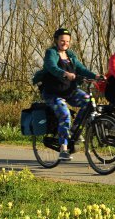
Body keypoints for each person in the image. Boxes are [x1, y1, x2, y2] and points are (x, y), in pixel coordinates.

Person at [39, 28, 101, 160]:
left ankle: (74, 130)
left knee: (88, 101)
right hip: (53, 93)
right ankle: (63, 149)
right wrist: (64, 73)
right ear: (56, 40)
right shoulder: (51, 52)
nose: (65, 43)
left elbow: (81, 69)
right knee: (65, 114)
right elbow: (51, 67)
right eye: (62, 40)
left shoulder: (71, 55)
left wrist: (95, 75)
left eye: (67, 41)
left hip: (69, 91)